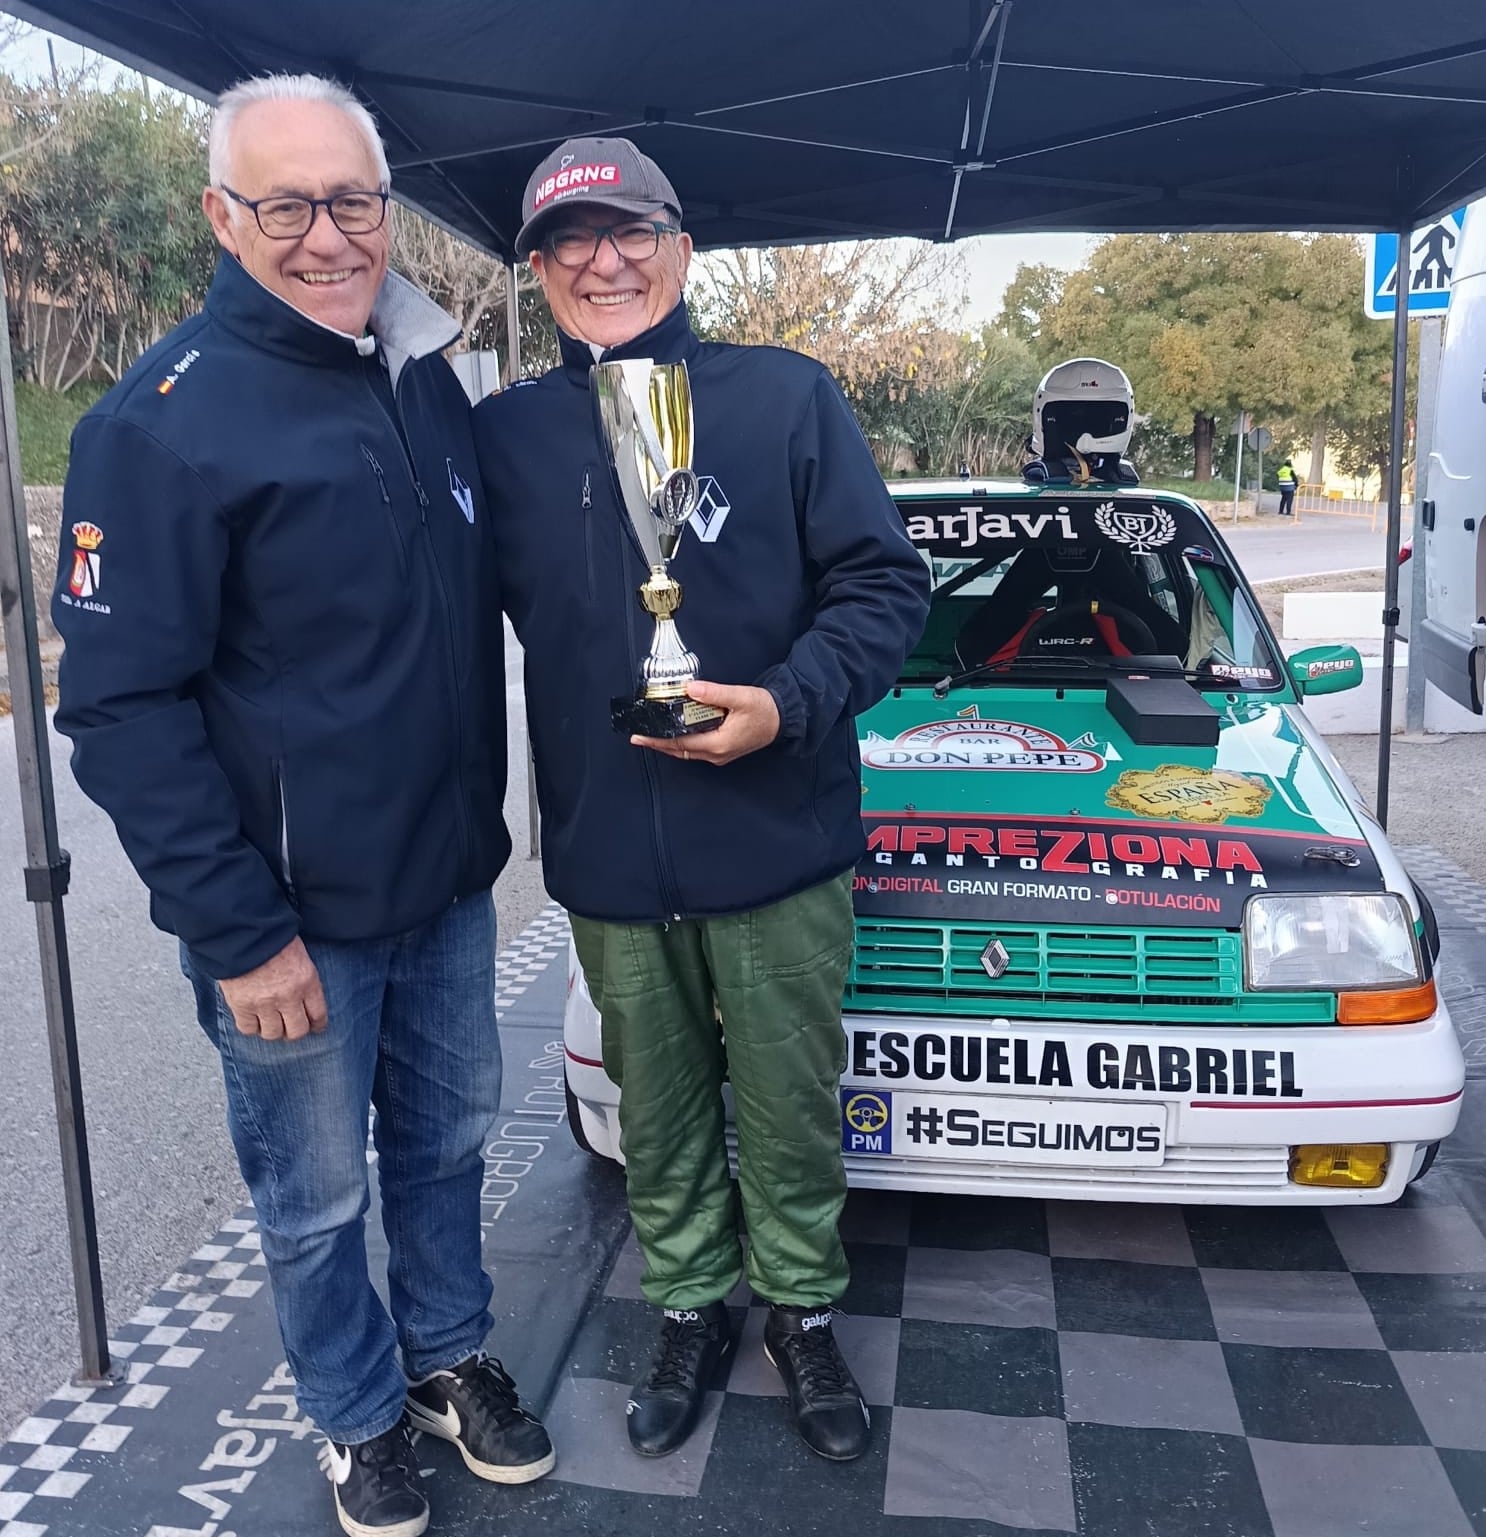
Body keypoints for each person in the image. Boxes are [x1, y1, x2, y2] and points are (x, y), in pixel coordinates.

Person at [51, 74, 553, 1537]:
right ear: (222, 214)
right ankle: (352, 1409)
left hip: (448, 886)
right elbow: (121, 707)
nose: (327, 233)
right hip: (289, 927)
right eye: (286, 202)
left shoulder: (427, 383)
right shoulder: (160, 423)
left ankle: (449, 1353)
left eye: (350, 199)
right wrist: (233, 929)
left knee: (450, 1145)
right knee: (317, 1195)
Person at [474, 137, 930, 1464]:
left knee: (789, 1098)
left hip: (779, 835)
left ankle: (797, 1308)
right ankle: (688, 1302)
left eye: (631, 233)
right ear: (541, 270)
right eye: (571, 241)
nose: (604, 260)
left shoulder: (784, 399)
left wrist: (783, 703)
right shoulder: (500, 437)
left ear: (681, 248)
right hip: (613, 853)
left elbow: (883, 590)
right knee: (657, 1106)